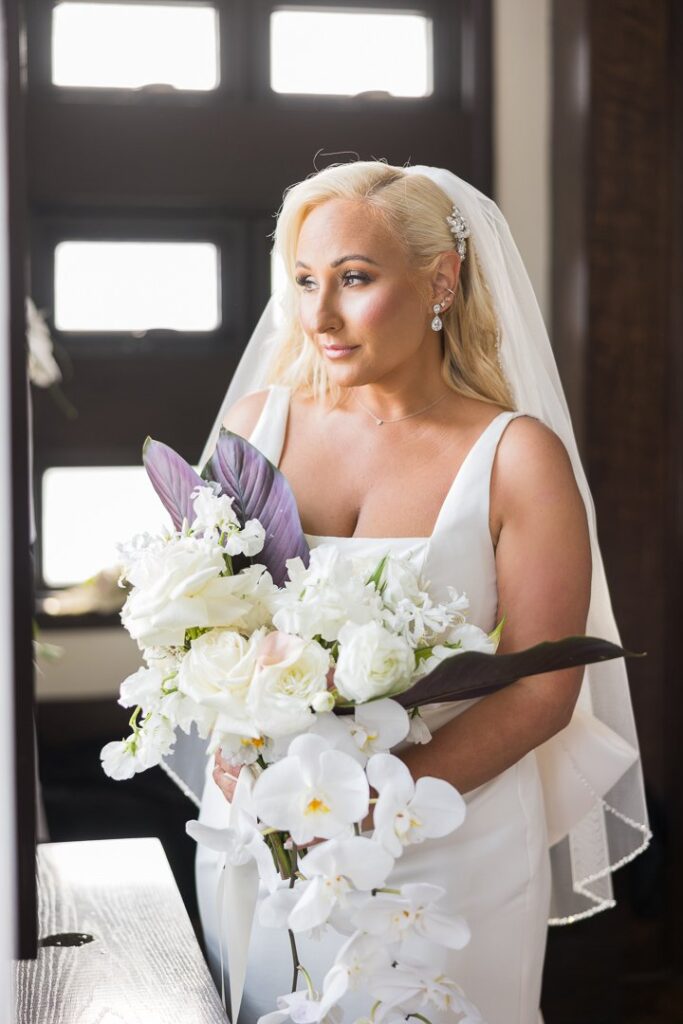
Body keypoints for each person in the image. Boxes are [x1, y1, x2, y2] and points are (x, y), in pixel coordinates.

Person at [169, 162, 651, 1024]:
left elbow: (542, 687)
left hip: (443, 839)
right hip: (266, 834)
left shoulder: (513, 456)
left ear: (441, 279)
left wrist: (373, 810)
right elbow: (205, 623)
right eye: (305, 281)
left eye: (353, 280)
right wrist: (241, 754)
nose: (318, 316)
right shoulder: (255, 427)